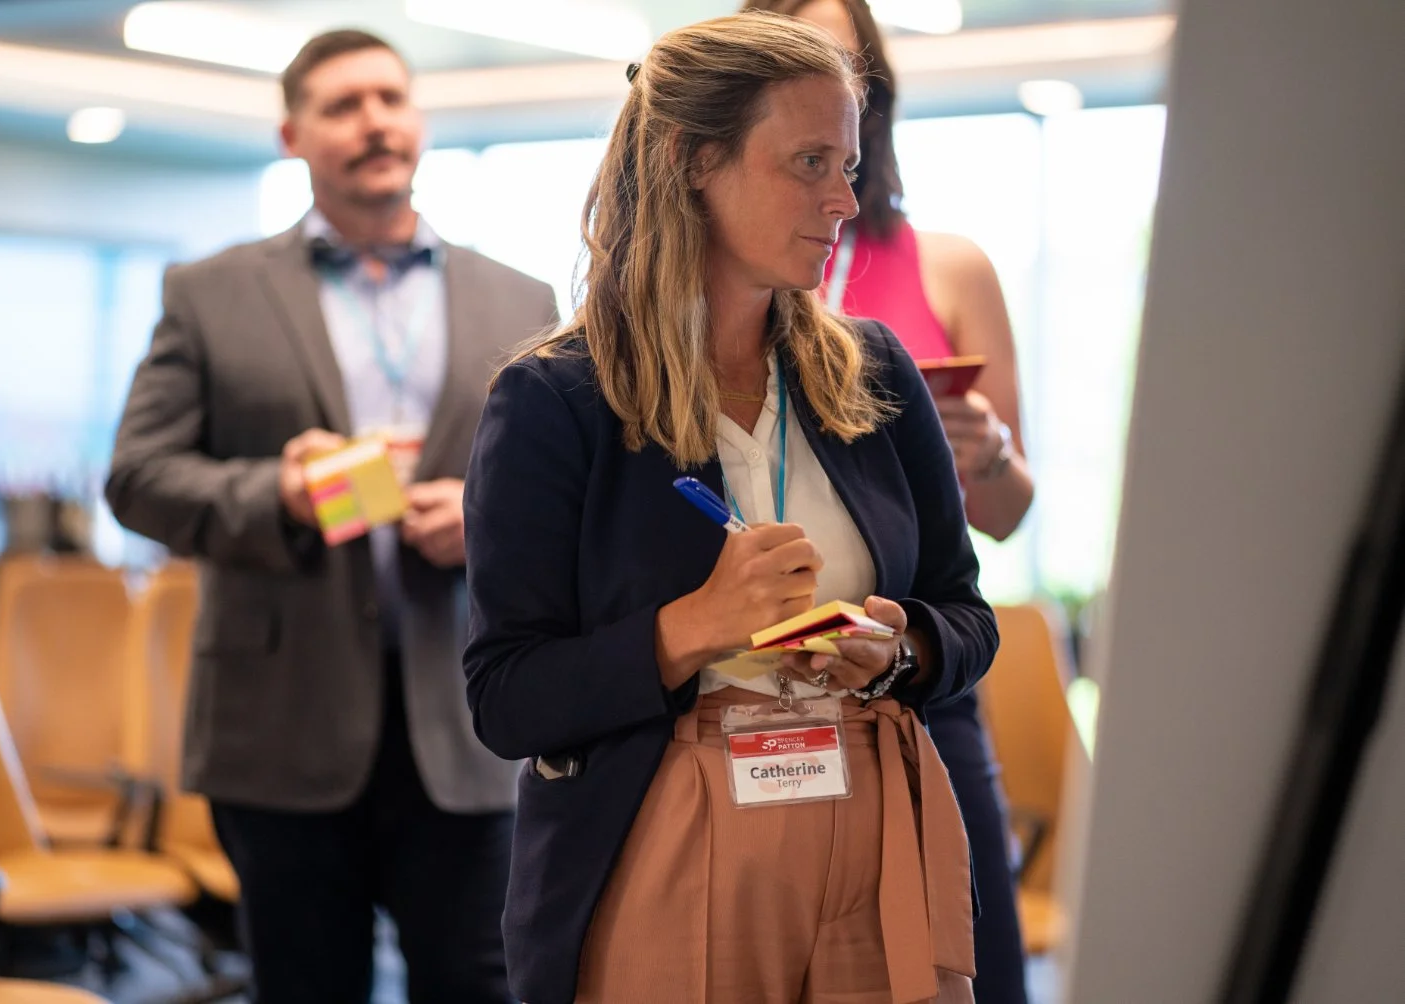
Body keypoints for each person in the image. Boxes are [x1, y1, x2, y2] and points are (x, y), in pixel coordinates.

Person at [463, 12, 998, 1004]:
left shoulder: (875, 372)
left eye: (847, 163)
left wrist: (901, 644)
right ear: (692, 160)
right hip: (665, 835)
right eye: (807, 162)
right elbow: (505, 696)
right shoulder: (556, 397)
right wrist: (691, 627)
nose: (843, 198)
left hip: (873, 819)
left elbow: (965, 616)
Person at [105, 29, 557, 1004]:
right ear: (291, 134)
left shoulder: (521, 299)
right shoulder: (211, 294)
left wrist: (488, 523)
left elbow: (568, 502)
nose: (374, 122)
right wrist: (276, 491)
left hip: (470, 724)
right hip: (280, 725)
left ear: (418, 122)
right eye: (343, 105)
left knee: (482, 985)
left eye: (390, 98)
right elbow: (138, 477)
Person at [745, 3, 1037, 1001]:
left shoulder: (943, 264)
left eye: (842, 56)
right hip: (753, 698)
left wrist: (988, 453)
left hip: (913, 671)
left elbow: (1002, 514)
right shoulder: (715, 287)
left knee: (960, 966)